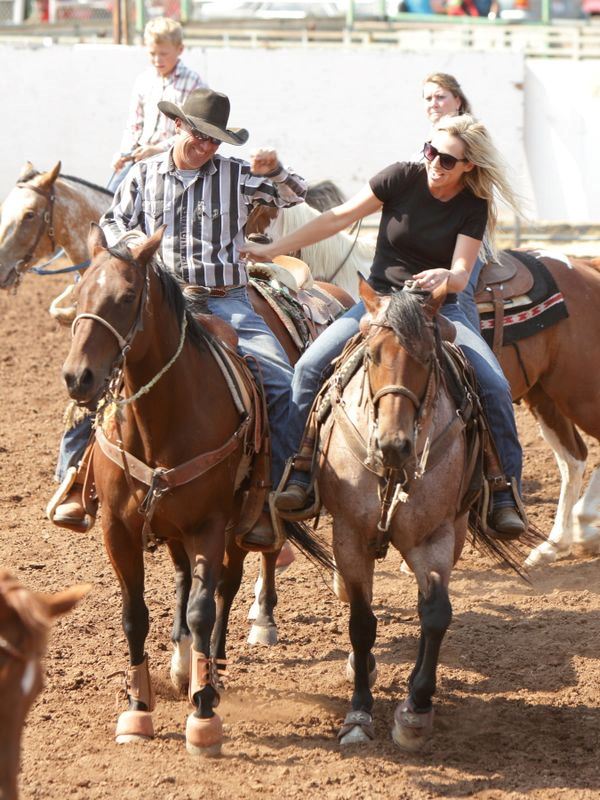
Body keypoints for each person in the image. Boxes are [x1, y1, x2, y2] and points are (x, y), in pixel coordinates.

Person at [241, 114, 526, 539]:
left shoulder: (473, 205)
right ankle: (295, 474)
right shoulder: (399, 178)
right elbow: (336, 217)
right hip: (379, 302)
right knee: (307, 368)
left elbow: (463, 273)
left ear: (469, 166)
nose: (434, 162)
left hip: (440, 309)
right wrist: (272, 250)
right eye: (430, 151)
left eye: (447, 159)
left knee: (495, 385)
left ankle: (504, 490)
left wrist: (444, 278)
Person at [49, 88, 308, 549]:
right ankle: (74, 478)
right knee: (93, 366)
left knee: (281, 381)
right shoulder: (143, 174)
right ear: (178, 126)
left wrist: (277, 171)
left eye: (215, 141)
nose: (206, 147)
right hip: (159, 299)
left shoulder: (236, 175)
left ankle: (273, 497)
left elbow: (294, 196)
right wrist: (137, 247)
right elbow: (112, 224)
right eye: (199, 135)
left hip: (225, 299)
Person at [107, 17, 207, 194]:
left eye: (163, 54)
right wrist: (123, 153)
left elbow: (195, 131)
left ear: (180, 50)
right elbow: (134, 125)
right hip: (138, 156)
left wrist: (157, 149)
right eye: (152, 53)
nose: (157, 59)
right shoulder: (143, 80)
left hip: (174, 161)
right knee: (109, 199)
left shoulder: (193, 84)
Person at [421, 73, 482, 331]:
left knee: (461, 291)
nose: (433, 103)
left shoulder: (472, 137)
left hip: (464, 234)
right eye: (428, 98)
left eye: (440, 96)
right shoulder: (428, 142)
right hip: (428, 234)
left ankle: (473, 346)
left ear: (457, 100)